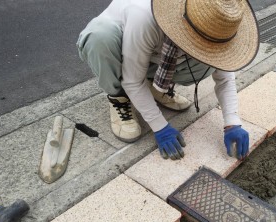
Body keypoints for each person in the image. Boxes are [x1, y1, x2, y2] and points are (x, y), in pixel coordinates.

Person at [76, 0, 259, 160]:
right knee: (100, 37)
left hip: (149, 54)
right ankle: (119, 97)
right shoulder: (144, 15)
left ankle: (157, 88)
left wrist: (232, 122)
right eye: (201, 44)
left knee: (207, 64)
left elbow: (224, 77)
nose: (204, 49)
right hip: (122, 46)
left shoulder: (218, 21)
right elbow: (132, 79)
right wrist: (159, 126)